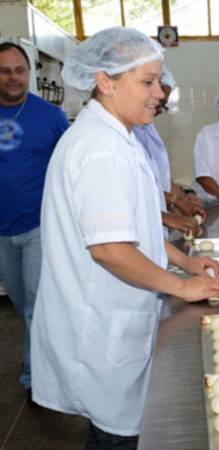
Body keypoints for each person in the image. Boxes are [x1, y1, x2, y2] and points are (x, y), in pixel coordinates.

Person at [30, 27, 219, 448]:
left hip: (117, 320)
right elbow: (109, 249)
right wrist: (181, 285)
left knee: (118, 430)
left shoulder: (119, 138)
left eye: (159, 81)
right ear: (106, 81)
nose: (160, 92)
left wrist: (184, 260)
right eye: (147, 82)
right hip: (101, 328)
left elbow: (134, 229)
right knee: (115, 437)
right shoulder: (100, 148)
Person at [0, 42, 68, 401]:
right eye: (5, 71)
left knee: (36, 302)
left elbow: (70, 168)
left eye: (19, 70)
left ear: (28, 73)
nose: (13, 77)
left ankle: (35, 376)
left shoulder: (51, 117)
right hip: (2, 229)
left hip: (40, 225)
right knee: (19, 302)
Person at [133, 66, 205, 238]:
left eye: (162, 106)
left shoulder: (147, 127)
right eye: (155, 103)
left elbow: (158, 175)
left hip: (156, 227)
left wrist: (181, 199)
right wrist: (174, 203)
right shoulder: (119, 137)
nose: (157, 110)